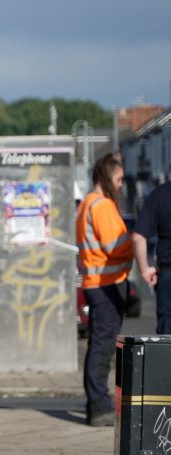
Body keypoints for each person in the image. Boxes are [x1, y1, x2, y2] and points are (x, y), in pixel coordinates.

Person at [76, 154, 151, 426]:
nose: (121, 185)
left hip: (97, 284)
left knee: (99, 345)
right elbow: (114, 247)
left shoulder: (87, 203)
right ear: (107, 178)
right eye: (118, 179)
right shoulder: (103, 206)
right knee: (103, 347)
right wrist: (136, 242)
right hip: (107, 285)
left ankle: (96, 404)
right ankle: (100, 407)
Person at [133, 179, 167, 331]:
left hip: (168, 275)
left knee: (167, 338)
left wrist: (145, 270)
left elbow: (138, 237)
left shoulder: (160, 195)